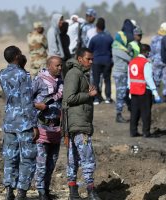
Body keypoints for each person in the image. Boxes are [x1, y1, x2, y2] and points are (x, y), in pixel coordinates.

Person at [0, 46, 38, 200]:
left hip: (9, 121)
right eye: (20, 54)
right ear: (16, 56)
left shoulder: (2, 74)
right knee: (27, 157)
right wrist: (34, 124)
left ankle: (9, 190)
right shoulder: (23, 75)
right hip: (24, 122)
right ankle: (21, 192)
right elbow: (27, 101)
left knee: (10, 156)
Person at [62, 48, 101, 200]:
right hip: (78, 123)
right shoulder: (74, 74)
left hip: (78, 122)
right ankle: (90, 191)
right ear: (79, 59)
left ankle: (73, 192)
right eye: (88, 59)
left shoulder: (80, 74)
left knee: (74, 158)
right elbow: (69, 98)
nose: (91, 62)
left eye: (92, 59)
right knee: (87, 158)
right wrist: (89, 95)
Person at [32, 56, 63, 200]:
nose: (60, 68)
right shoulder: (39, 80)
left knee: (52, 162)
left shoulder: (61, 82)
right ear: (49, 66)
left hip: (56, 128)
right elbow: (26, 99)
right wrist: (37, 105)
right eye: (57, 66)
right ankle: (40, 191)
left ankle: (46, 188)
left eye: (61, 66)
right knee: (41, 163)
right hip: (42, 126)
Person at [128, 44, 160, 138]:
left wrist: (130, 90)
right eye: (148, 52)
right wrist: (155, 91)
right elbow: (148, 78)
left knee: (134, 112)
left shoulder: (132, 62)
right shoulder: (146, 63)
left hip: (134, 90)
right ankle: (146, 132)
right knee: (145, 112)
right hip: (144, 90)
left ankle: (133, 132)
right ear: (146, 52)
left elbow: (129, 77)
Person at [88, 17, 113, 105]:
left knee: (96, 81)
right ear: (104, 27)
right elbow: (112, 50)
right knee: (107, 80)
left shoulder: (94, 39)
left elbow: (89, 50)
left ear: (97, 27)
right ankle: (108, 98)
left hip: (96, 62)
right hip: (107, 61)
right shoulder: (109, 38)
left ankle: (96, 99)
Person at [112, 31, 131, 123]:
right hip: (120, 74)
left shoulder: (119, 47)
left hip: (121, 73)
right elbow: (129, 58)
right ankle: (118, 115)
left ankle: (124, 112)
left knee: (123, 93)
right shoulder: (117, 49)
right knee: (121, 95)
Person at [150, 22, 166, 102]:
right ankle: (165, 98)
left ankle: (155, 97)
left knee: (155, 80)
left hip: (156, 62)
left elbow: (151, 51)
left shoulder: (154, 38)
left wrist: (152, 59)